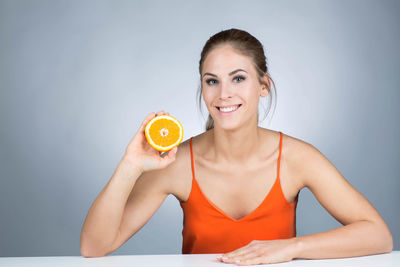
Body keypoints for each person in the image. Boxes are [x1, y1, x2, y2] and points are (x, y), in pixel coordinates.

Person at [80, 28, 393, 265]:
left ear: (263, 86)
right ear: (202, 87)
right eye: (212, 81)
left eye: (238, 78)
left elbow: (378, 235)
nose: (223, 94)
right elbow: (94, 248)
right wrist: (130, 166)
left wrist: (292, 248)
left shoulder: (298, 158)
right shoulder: (176, 163)